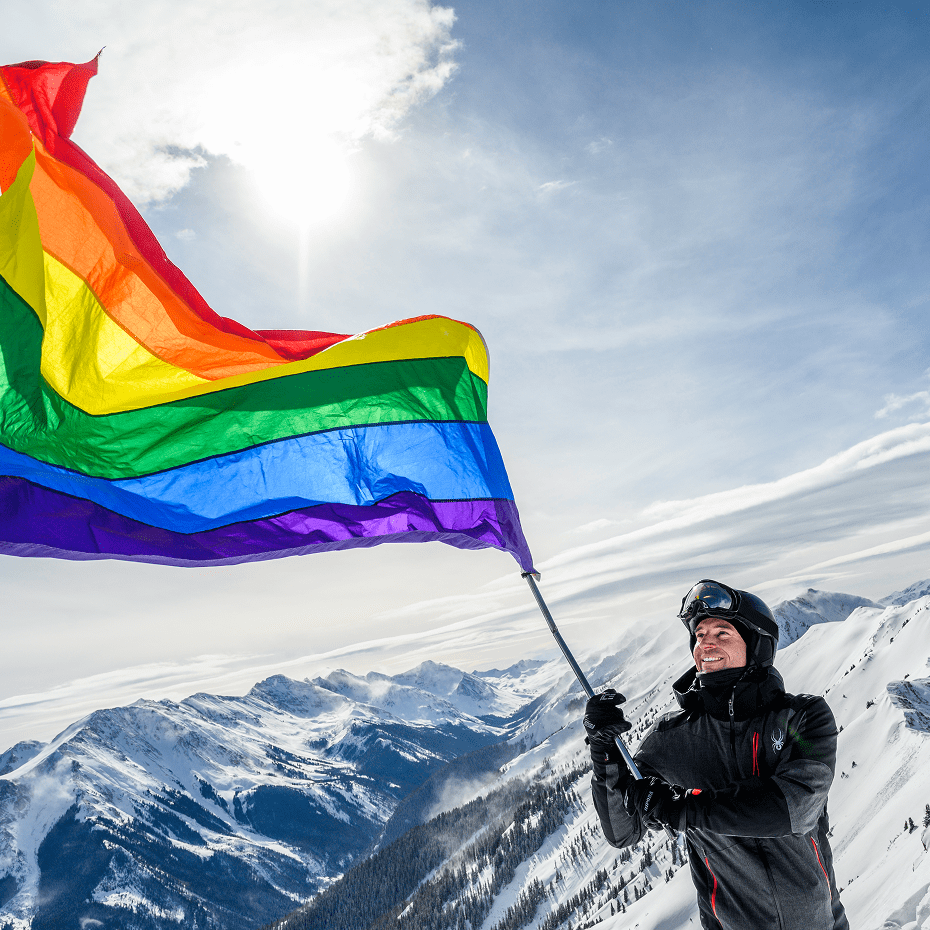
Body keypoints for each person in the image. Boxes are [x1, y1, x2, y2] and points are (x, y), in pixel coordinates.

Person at [584, 579, 848, 930]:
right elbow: (622, 832)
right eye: (699, 634)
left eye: (722, 633)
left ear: (756, 646)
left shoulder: (802, 718)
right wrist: (605, 753)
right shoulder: (672, 737)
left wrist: (682, 807)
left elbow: (795, 808)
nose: (705, 643)